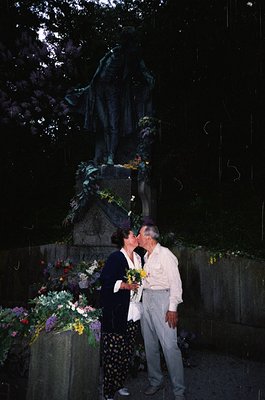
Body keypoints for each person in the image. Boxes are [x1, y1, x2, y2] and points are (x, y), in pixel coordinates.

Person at [65, 26, 155, 165]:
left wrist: (149, 79)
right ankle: (106, 155)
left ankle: (111, 156)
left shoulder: (132, 56)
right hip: (99, 91)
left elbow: (143, 71)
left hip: (113, 91)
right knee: (104, 124)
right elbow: (98, 75)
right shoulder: (113, 52)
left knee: (113, 124)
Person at [137, 224, 186, 400]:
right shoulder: (145, 256)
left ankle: (179, 391)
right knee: (150, 345)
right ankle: (156, 381)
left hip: (162, 300)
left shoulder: (165, 255)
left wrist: (172, 308)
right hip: (147, 300)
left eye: (139, 234)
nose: (137, 236)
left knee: (170, 347)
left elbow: (176, 283)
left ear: (148, 237)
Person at [100, 227, 144, 400]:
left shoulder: (139, 258)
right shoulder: (116, 258)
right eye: (134, 235)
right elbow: (105, 282)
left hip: (133, 312)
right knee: (113, 354)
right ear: (126, 239)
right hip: (117, 313)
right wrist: (125, 285)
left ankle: (119, 384)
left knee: (126, 351)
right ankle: (108, 391)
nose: (136, 237)